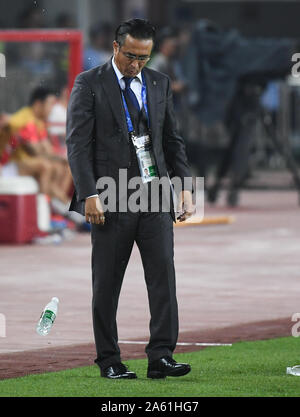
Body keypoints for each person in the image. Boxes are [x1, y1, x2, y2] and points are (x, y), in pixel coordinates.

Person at [66, 18, 194, 380]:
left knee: (163, 276)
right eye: (132, 56)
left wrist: (184, 186)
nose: (137, 64)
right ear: (116, 47)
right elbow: (77, 144)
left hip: (153, 195)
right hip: (110, 196)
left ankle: (161, 356)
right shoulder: (88, 84)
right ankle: (109, 360)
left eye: (144, 57)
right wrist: (89, 193)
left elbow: (173, 140)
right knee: (106, 283)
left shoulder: (159, 83)